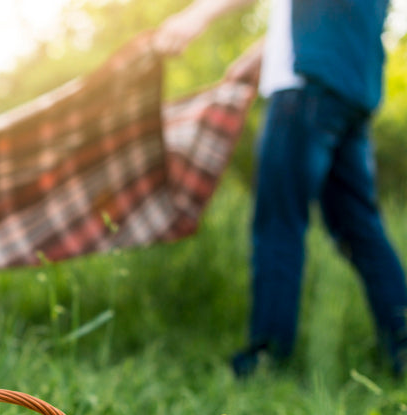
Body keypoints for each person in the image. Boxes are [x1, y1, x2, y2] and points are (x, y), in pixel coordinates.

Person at [154, 0, 407, 377]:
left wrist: (198, 14)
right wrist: (263, 53)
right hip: (352, 87)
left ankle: (266, 357)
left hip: (305, 87)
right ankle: (402, 346)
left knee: (279, 220)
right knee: (360, 227)